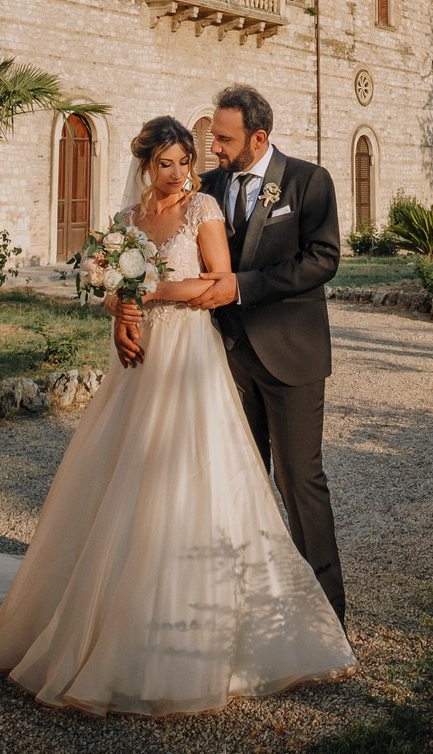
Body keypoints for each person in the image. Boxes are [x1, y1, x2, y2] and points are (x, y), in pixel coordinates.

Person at [0, 115, 353, 717]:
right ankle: (116, 606)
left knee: (204, 476)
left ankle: (231, 624)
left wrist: (147, 293)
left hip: (190, 355)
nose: (179, 173)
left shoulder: (203, 208)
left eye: (186, 161)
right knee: (124, 476)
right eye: (166, 163)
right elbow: (108, 285)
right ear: (145, 165)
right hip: (137, 360)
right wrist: (122, 310)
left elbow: (217, 284)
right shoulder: (125, 223)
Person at [118, 84, 348, 624]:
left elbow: (322, 260)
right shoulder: (208, 188)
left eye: (222, 138)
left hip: (290, 352)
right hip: (221, 356)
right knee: (235, 477)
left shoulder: (307, 181)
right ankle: (241, 599)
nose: (213, 147)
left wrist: (241, 287)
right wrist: (124, 305)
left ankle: (325, 613)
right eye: (212, 138)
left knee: (300, 479)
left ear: (258, 137)